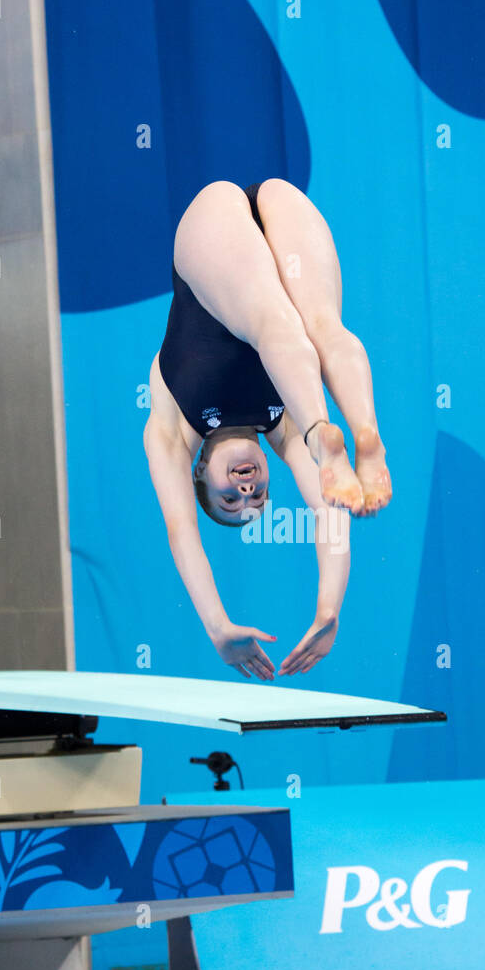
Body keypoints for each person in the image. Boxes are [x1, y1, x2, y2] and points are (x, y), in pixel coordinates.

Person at [143, 178, 392, 679]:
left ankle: (328, 432)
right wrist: (328, 610)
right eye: (257, 499)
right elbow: (330, 511)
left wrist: (217, 625)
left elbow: (181, 531)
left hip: (208, 228)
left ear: (201, 473)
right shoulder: (281, 427)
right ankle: (365, 433)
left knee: (276, 324)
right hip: (281, 202)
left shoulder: (173, 431)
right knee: (323, 328)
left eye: (229, 500)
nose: (247, 492)